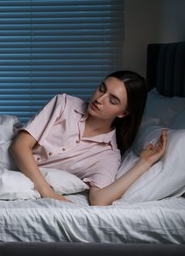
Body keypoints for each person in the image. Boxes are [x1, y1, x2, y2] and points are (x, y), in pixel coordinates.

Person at [9, 70, 167, 206]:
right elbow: (19, 146)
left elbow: (99, 199)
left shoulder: (107, 155)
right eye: (101, 89)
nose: (99, 99)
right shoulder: (64, 104)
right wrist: (46, 191)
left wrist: (144, 163)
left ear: (123, 113)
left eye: (112, 100)